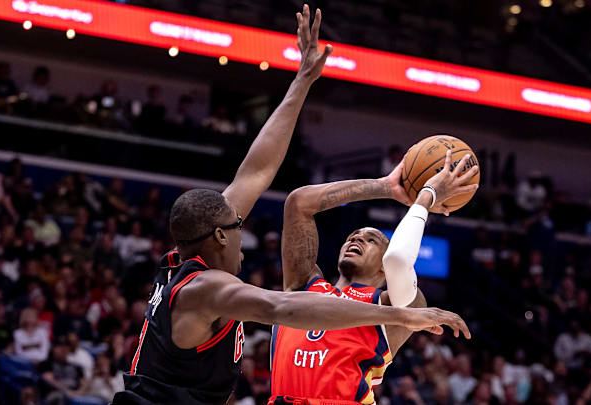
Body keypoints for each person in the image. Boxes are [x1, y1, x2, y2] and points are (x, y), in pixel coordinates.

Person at [112, 7, 462, 405]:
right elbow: (282, 307)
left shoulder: (190, 254)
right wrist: (400, 316)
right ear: (220, 235)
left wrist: (303, 80)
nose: (244, 231)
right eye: (238, 224)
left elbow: (255, 172)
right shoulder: (208, 288)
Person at [270, 150, 477, 404]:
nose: (357, 239)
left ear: (382, 268)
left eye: (371, 240)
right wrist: (385, 187)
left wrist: (425, 198)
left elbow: (398, 260)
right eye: (353, 236)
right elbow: (298, 202)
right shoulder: (304, 285)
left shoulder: (397, 305)